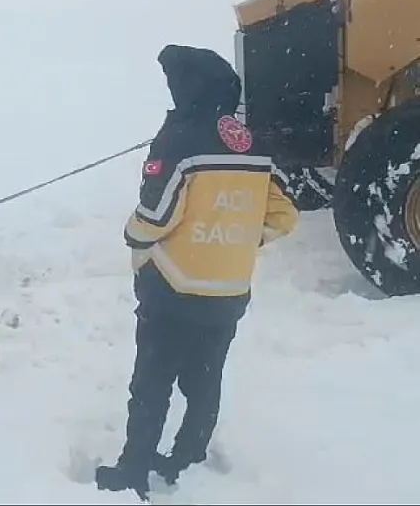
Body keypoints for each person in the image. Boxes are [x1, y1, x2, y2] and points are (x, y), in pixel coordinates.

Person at [94, 44, 300, 500]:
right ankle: (188, 456)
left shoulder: (178, 140)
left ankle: (133, 470)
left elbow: (156, 216)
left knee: (152, 382)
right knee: (205, 380)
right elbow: (285, 215)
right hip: (229, 291)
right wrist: (241, 238)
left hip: (174, 287)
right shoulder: (251, 142)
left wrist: (133, 236)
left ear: (187, 88)